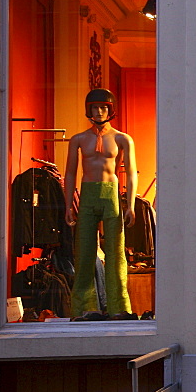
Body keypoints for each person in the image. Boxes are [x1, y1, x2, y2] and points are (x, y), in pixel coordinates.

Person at [63, 89, 135, 318]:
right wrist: (68, 206)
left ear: (110, 110)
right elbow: (70, 173)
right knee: (84, 252)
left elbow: (131, 173)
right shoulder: (78, 139)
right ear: (89, 110)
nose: (99, 112)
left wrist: (130, 205)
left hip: (111, 193)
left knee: (115, 252)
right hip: (87, 193)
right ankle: (85, 307)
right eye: (95, 108)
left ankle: (119, 307)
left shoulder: (122, 139)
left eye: (103, 107)